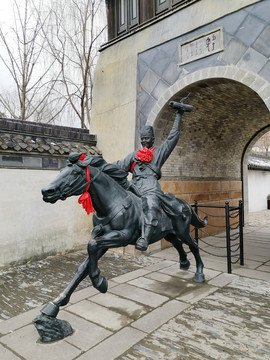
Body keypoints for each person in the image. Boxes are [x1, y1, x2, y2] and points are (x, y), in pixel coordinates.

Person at [114, 99, 191, 251]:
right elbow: (119, 166)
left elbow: (172, 138)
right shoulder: (134, 156)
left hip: (151, 188)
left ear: (153, 139)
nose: (144, 141)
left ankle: (145, 238)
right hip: (134, 187)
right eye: (142, 139)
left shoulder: (159, 153)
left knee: (151, 204)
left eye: (147, 138)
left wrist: (179, 115)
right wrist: (99, 166)